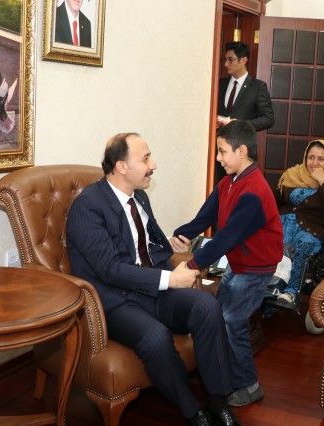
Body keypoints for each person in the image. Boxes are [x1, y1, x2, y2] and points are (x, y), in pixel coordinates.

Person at [66, 133, 239, 426]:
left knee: (207, 307)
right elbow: (110, 269)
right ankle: (193, 412)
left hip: (151, 288)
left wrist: (170, 245)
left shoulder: (139, 197)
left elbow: (144, 243)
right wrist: (169, 280)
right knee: (155, 338)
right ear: (122, 167)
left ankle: (217, 400)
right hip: (116, 299)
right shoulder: (88, 206)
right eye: (145, 159)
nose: (153, 165)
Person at [170, 120, 283, 408]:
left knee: (232, 321)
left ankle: (249, 385)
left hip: (256, 269)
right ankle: (223, 375)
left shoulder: (254, 191)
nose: (219, 158)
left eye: (222, 151)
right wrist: (178, 236)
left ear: (241, 151)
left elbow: (226, 237)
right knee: (220, 317)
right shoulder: (228, 182)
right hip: (239, 263)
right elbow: (205, 218)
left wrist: (193, 265)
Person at [274, 139, 324, 304]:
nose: (314, 163)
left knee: (304, 245)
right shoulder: (293, 174)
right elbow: (275, 201)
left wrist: (323, 181)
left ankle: (291, 292)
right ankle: (267, 288)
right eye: (311, 157)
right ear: (305, 157)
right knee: (265, 239)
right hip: (283, 223)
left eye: (321, 159)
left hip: (311, 229)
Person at [215, 41, 274, 184]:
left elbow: (268, 119)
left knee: (242, 188)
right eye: (225, 60)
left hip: (242, 151)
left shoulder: (258, 87)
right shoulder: (219, 84)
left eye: (230, 60)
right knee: (219, 188)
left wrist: (240, 124)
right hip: (220, 151)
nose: (226, 64)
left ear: (243, 60)